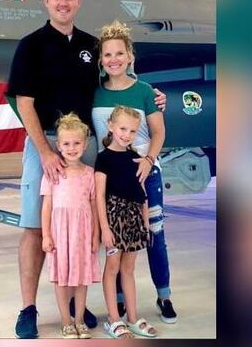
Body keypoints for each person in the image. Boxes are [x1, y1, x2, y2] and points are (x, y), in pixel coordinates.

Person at [5, 0, 166, 339]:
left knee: (88, 225)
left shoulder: (92, 46)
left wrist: (154, 97)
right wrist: (45, 151)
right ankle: (27, 308)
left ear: (78, 3)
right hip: (44, 144)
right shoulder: (30, 45)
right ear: (46, 1)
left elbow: (118, 79)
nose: (63, 2)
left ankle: (79, 304)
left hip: (89, 144)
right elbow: (23, 102)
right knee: (35, 226)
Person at [90, 20, 177, 324]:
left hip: (143, 176)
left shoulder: (144, 92)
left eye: (119, 53)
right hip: (111, 180)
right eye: (107, 55)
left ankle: (164, 294)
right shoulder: (95, 93)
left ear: (129, 56)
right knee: (115, 240)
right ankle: (118, 301)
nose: (113, 59)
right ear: (101, 60)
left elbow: (159, 132)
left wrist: (149, 160)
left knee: (153, 235)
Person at [96, 106, 158, 339]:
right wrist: (104, 228)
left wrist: (144, 223)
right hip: (114, 219)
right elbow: (99, 196)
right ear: (111, 127)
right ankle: (113, 319)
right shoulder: (103, 159)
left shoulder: (136, 159)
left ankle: (132, 318)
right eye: (123, 128)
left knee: (129, 269)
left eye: (132, 131)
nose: (127, 134)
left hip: (133, 220)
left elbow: (141, 193)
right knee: (112, 268)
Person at [40, 113, 101, 339]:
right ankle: (66, 321)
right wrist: (46, 235)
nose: (72, 148)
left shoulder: (89, 174)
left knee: (82, 277)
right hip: (60, 233)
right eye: (66, 143)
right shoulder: (53, 173)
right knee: (62, 278)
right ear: (58, 145)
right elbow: (46, 206)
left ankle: (79, 319)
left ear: (85, 145)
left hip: (82, 234)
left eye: (76, 143)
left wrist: (95, 234)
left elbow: (93, 206)